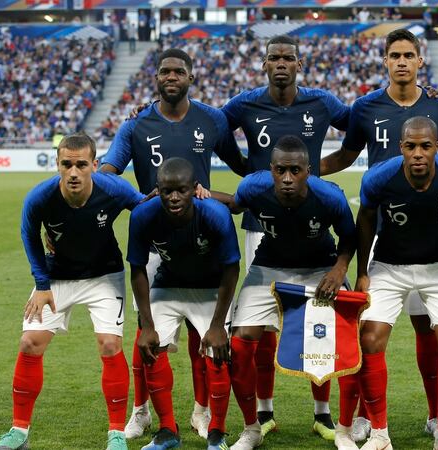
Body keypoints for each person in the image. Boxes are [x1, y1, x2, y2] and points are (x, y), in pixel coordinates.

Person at [320, 30, 438, 441]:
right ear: (385, 60)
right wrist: (312, 170)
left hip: (426, 233)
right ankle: (367, 415)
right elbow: (348, 155)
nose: (401, 61)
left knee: (427, 330)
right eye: (394, 55)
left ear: (420, 61)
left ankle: (437, 415)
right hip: (379, 240)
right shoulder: (365, 106)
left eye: (409, 55)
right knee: (372, 334)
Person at [102, 48, 248, 441]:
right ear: (155, 77)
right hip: (153, 240)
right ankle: (141, 411)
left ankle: (202, 412)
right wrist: (138, 203)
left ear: (191, 76)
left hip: (201, 235)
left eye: (178, 71)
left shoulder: (212, 119)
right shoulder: (136, 125)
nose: (171, 77)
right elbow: (107, 171)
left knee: (205, 333)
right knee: (146, 330)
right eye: (164, 71)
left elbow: (241, 167)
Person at [220, 34, 351, 440]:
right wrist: (250, 174)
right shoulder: (243, 104)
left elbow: (359, 129)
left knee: (318, 326)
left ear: (299, 63)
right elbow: (213, 130)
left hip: (313, 227)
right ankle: (263, 412)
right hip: (263, 226)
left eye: (288, 57)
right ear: (263, 63)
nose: (281, 63)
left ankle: (323, 413)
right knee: (261, 329)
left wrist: (320, 173)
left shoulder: (323, 102)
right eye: (273, 57)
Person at [0, 133, 144, 450]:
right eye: (67, 164)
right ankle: (18, 433)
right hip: (56, 277)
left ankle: (116, 433)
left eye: (81, 165)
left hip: (104, 276)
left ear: (94, 165)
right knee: (30, 342)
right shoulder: (40, 198)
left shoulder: (113, 189)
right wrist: (42, 285)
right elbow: (28, 234)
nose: (74, 172)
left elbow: (145, 210)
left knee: (110, 345)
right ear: (57, 164)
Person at [350, 117, 438, 450]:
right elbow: (366, 220)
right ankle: (380, 434)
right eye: (410, 146)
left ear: (437, 147)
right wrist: (363, 272)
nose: (417, 153)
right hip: (388, 265)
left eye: (425, 146)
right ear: (401, 147)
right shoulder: (379, 177)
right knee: (369, 338)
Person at [128, 157, 240, 450]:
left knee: (218, 353)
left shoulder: (215, 214)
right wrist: (147, 325)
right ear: (157, 190)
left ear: (195, 189)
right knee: (149, 347)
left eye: (181, 190)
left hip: (210, 288)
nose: (174, 197)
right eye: (167, 191)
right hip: (168, 285)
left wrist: (217, 325)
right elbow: (138, 269)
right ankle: (167, 430)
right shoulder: (142, 216)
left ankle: (217, 431)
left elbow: (231, 269)